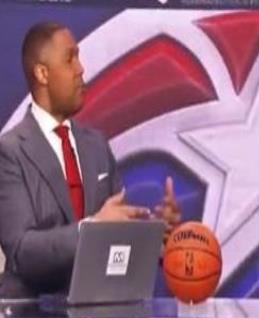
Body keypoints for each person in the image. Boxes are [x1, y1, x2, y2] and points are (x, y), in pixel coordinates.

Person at [0, 22, 181, 298]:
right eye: (70, 59)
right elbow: (22, 253)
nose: (81, 69)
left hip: (97, 316)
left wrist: (155, 236)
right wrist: (92, 229)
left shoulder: (96, 145)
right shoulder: (10, 152)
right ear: (42, 73)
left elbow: (116, 238)